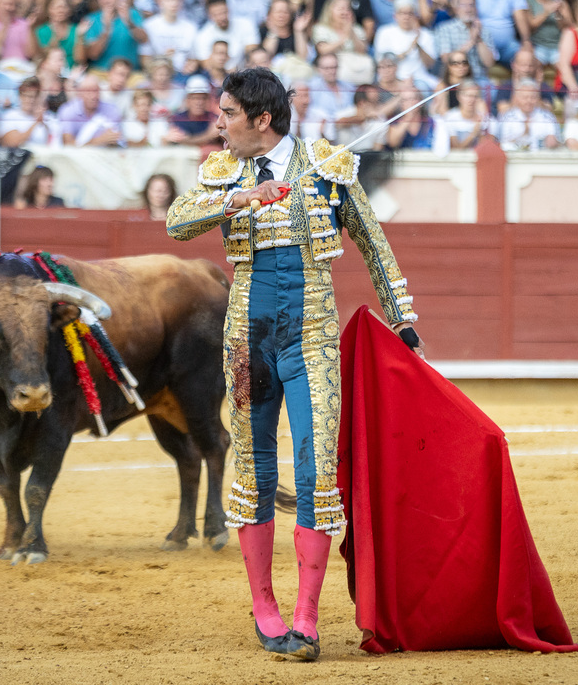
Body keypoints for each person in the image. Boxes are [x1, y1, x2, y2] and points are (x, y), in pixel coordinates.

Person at [165, 66, 421, 662]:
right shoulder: (222, 172)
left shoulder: (328, 166)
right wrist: (242, 198)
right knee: (253, 467)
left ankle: (305, 616)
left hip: (310, 337)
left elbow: (372, 241)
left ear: (262, 119)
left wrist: (402, 317)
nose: (219, 125)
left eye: (228, 114)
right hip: (246, 338)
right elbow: (177, 222)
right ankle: (265, 608)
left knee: (316, 467)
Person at [81, 0, 147, 72]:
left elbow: (144, 39)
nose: (106, 1)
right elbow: (93, 55)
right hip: (101, 72)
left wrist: (129, 22)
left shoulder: (132, 13)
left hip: (131, 72)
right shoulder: (91, 19)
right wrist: (106, 30)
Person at [435, 0, 496, 83]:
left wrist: (479, 39)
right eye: (463, 5)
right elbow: (447, 59)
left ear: (476, 9)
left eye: (471, 5)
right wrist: (471, 41)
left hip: (478, 79)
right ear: (456, 9)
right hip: (455, 79)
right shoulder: (445, 28)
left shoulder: (484, 31)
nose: (468, 9)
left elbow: (489, 63)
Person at [193, 0, 258, 72]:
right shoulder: (203, 36)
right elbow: (207, 65)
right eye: (216, 14)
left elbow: (253, 52)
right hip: (219, 77)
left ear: (229, 10)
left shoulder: (245, 24)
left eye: (224, 12)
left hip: (244, 71)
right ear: (209, 16)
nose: (222, 17)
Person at [494, 77, 560, 150]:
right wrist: (524, 134)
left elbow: (557, 143)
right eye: (525, 97)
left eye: (533, 97)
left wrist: (553, 142)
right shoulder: (506, 117)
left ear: (538, 98)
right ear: (516, 98)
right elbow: (502, 144)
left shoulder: (548, 117)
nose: (529, 101)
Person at [57, 74, 123, 146]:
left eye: (96, 91)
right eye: (89, 92)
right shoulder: (68, 111)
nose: (94, 96)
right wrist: (99, 141)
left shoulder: (111, 109)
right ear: (80, 93)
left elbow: (117, 140)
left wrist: (111, 140)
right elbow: (68, 145)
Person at [0, 76, 59, 146]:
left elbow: (55, 144)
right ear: (20, 96)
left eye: (34, 96)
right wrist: (36, 123)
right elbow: (13, 143)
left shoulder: (50, 117)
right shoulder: (10, 116)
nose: (30, 100)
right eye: (26, 96)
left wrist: (45, 125)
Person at [434, 79, 489, 153]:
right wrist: (473, 134)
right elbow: (456, 149)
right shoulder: (450, 118)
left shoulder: (485, 119)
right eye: (468, 96)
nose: (471, 100)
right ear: (459, 97)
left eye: (475, 96)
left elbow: (487, 149)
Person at [163, 75, 220, 147]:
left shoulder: (214, 118)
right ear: (187, 100)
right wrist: (208, 136)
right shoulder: (178, 119)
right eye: (195, 98)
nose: (199, 103)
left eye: (203, 98)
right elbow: (183, 141)